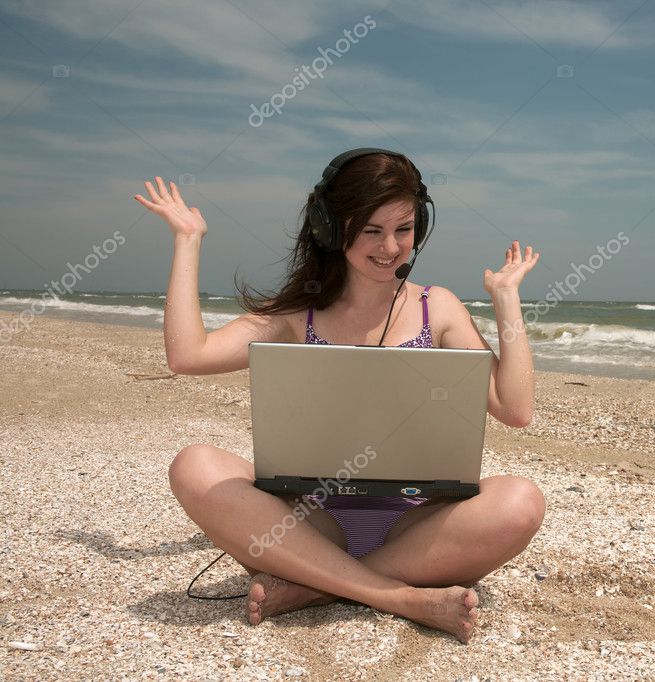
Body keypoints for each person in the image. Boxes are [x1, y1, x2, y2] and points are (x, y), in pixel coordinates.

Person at [133, 150, 544, 644]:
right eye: (371, 230)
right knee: (193, 465)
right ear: (331, 227)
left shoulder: (439, 307)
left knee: (522, 501)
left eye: (404, 229)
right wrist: (187, 241)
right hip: (310, 524)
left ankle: (316, 588)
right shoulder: (296, 315)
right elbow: (188, 355)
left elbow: (514, 408)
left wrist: (507, 301)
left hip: (416, 526)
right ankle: (397, 596)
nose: (390, 248)